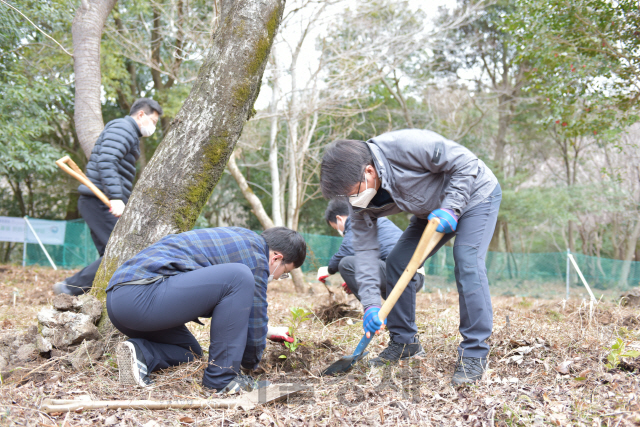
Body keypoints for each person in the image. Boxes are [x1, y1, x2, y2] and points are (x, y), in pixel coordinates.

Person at [320, 129, 501, 386]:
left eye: (353, 192)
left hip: (476, 195)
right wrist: (371, 303)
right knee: (397, 262)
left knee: (467, 261)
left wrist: (452, 205)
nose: (352, 201)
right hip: (429, 210)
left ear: (369, 172)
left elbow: (466, 163)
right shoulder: (359, 206)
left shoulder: (406, 146)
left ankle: (474, 353)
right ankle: (404, 342)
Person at [106, 226, 306, 392]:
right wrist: (251, 364)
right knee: (239, 276)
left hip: (120, 303)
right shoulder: (256, 259)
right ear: (276, 258)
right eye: (285, 272)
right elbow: (255, 313)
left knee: (189, 352)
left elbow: (230, 305)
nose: (279, 277)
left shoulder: (240, 239)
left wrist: (268, 331)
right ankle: (222, 380)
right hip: (143, 296)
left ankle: (142, 352)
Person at [53, 98, 163, 296]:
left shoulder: (129, 132)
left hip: (98, 201)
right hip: (99, 201)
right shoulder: (123, 128)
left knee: (110, 255)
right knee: (120, 253)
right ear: (140, 115)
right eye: (153, 121)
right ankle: (69, 288)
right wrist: (116, 197)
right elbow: (107, 160)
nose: (153, 127)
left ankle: (87, 294)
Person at [317, 198, 425, 304]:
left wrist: (328, 270)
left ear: (339, 219)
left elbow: (345, 252)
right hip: (415, 275)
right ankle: (393, 314)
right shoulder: (373, 218)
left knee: (345, 264)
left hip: (404, 274)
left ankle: (373, 312)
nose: (339, 231)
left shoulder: (358, 220)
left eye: (336, 227)